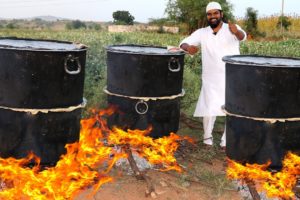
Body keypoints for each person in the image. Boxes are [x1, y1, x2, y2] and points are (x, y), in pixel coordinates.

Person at [178, 2, 246, 148]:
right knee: (209, 108)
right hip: (210, 77)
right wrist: (188, 48)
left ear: (221, 14)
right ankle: (207, 138)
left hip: (231, 75)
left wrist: (236, 32)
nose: (213, 16)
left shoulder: (232, 28)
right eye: (209, 14)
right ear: (207, 16)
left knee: (231, 108)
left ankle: (226, 141)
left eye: (215, 13)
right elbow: (183, 43)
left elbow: (242, 36)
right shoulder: (202, 32)